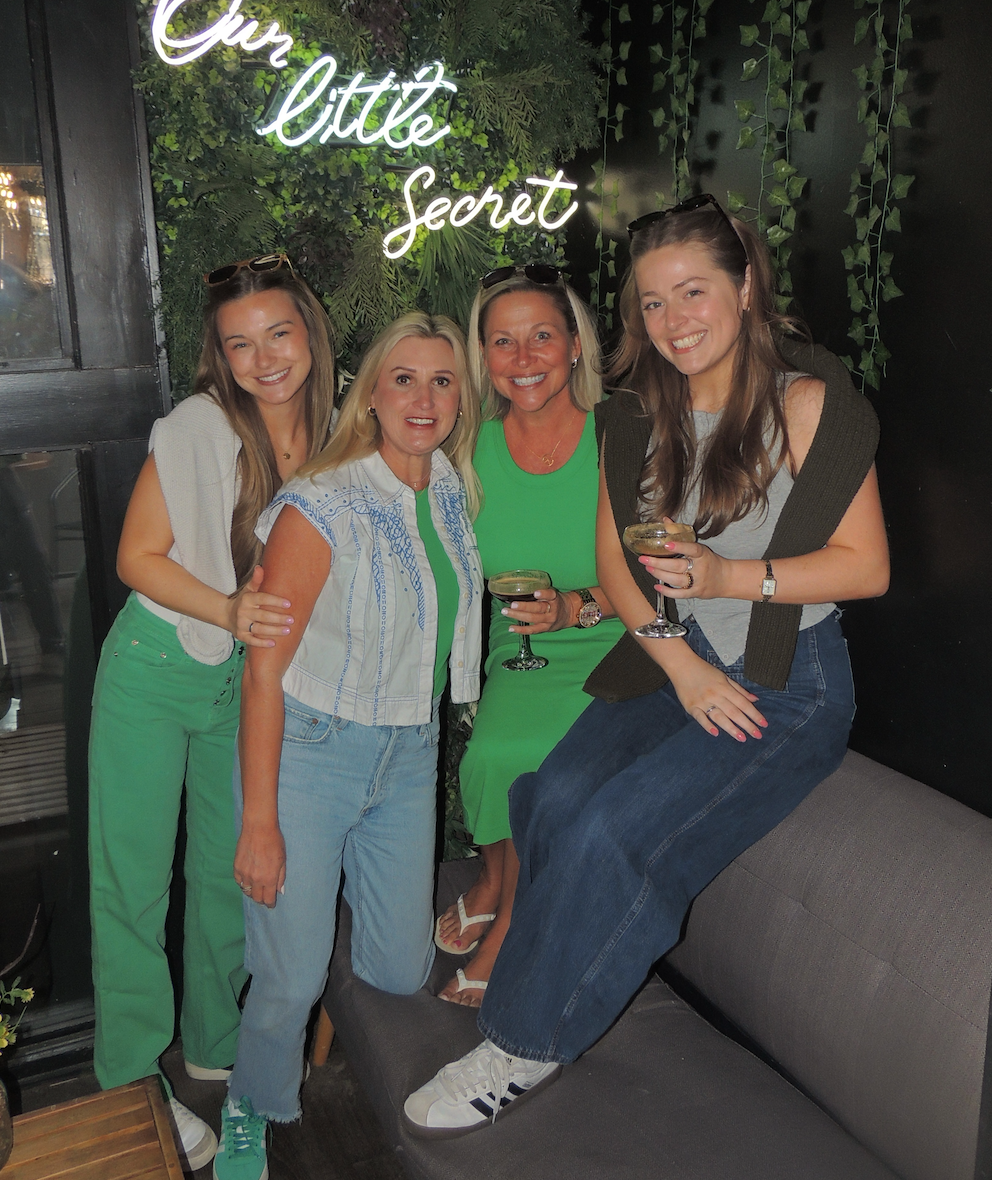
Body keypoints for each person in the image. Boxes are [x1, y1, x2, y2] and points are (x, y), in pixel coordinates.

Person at [404, 194, 889, 1134]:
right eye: (653, 302)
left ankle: (522, 1045)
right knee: (548, 796)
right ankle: (554, 961)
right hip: (681, 660)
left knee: (610, 831)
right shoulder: (637, 413)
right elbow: (619, 567)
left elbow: (865, 567)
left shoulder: (805, 403)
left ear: (743, 288)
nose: (674, 320)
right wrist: (683, 666)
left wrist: (727, 575)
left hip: (788, 681)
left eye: (693, 291)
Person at [212, 312, 483, 1180]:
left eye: (442, 380)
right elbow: (262, 673)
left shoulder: (450, 487)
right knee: (288, 978)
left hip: (408, 752)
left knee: (399, 970)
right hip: (311, 753)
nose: (423, 398)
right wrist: (260, 823)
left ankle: (307, 957)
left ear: (461, 398)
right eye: (404, 378)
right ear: (371, 394)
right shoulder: (322, 504)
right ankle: (250, 1102)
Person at [88, 255, 335, 1171]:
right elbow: (136, 557)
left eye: (277, 333)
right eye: (239, 344)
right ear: (219, 357)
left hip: (244, 681)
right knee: (133, 884)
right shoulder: (200, 425)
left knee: (229, 875)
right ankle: (129, 1077)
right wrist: (229, 610)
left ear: (309, 331)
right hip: (156, 668)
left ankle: (214, 1043)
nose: (263, 358)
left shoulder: (334, 432)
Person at [434, 264, 623, 1006]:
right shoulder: (467, 451)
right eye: (503, 342)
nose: (523, 358)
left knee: (542, 762)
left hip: (617, 645)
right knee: (490, 756)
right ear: (483, 356)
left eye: (542, 336)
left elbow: (662, 575)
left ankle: (511, 919)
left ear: (575, 345)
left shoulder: (620, 436)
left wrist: (577, 607)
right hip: (520, 652)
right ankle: (491, 875)